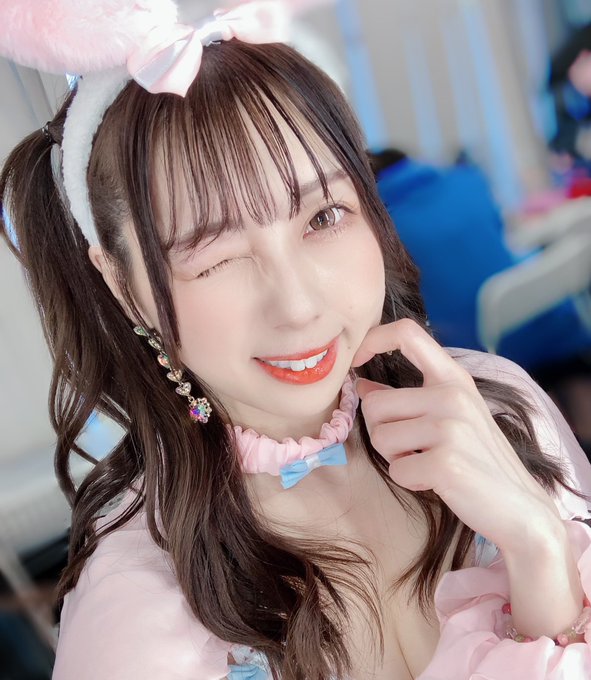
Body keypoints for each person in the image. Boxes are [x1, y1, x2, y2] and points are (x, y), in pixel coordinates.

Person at [2, 2, 591, 678]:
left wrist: (538, 544)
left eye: (324, 216)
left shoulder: (498, 408)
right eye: (216, 257)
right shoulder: (135, 618)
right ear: (123, 283)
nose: (299, 305)